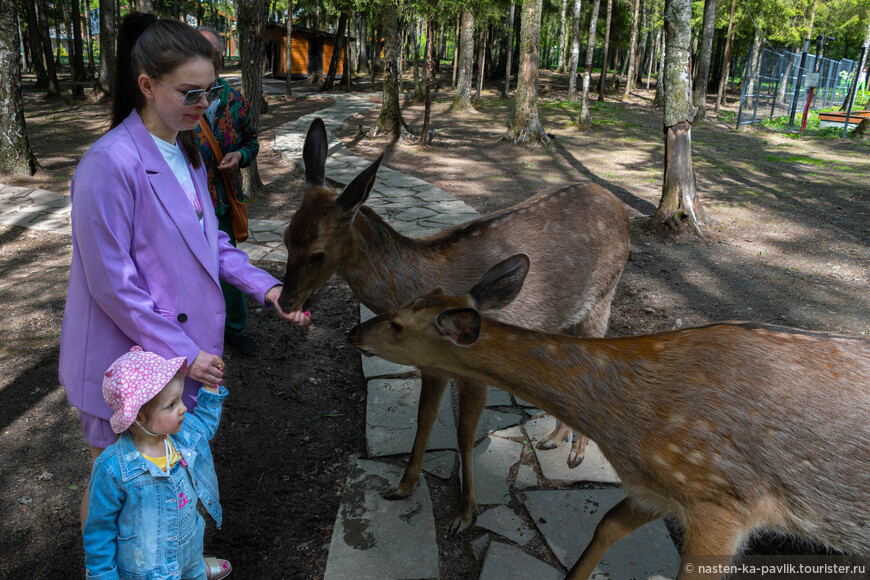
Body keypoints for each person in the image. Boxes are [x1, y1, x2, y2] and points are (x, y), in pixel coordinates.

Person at [59, 13, 310, 536]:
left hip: (176, 358)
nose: (204, 106)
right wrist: (186, 352)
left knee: (172, 477)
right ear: (147, 85)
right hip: (124, 362)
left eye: (211, 92)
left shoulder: (186, 151)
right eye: (190, 93)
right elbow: (112, 283)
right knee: (115, 490)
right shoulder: (109, 163)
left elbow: (210, 243)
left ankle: (175, 564)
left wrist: (269, 288)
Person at [84, 347, 232, 580]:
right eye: (171, 405)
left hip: (191, 557)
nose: (183, 408)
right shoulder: (113, 470)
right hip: (146, 571)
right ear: (139, 417)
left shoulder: (180, 438)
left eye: (180, 399)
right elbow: (100, 531)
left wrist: (211, 389)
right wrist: (102, 575)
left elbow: (205, 425)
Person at [195, 26, 261, 357]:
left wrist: (241, 156)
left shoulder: (237, 103)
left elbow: (252, 141)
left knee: (229, 266)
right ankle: (195, 328)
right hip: (185, 203)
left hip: (222, 201)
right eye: (202, 54)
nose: (210, 62)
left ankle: (234, 329)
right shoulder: (178, 100)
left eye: (215, 56)